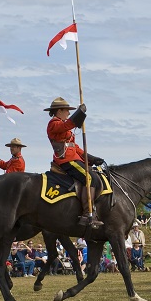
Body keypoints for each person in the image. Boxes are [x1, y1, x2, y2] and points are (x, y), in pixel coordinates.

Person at [44, 97, 105, 228]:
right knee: (90, 178)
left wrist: (90, 158)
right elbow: (68, 124)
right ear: (59, 111)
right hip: (66, 160)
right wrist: (80, 113)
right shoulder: (53, 123)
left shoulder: (64, 125)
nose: (68, 113)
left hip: (74, 157)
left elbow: (75, 147)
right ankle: (87, 214)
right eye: (67, 110)